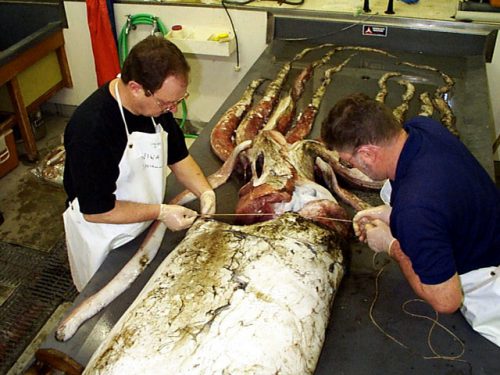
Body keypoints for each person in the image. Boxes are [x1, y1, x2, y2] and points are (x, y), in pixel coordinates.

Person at [321, 92, 500, 346]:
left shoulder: (415, 210)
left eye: (349, 161)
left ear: (368, 154)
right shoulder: (422, 127)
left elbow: (447, 301)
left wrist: (391, 245)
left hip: (488, 284)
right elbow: (439, 199)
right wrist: (389, 213)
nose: (349, 166)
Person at [63, 36, 215, 291]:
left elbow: (179, 156)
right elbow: (97, 210)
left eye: (179, 100)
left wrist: (205, 191)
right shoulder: (91, 127)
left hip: (146, 221)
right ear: (135, 87)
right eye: (166, 102)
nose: (174, 110)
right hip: (104, 234)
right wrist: (161, 212)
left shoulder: (157, 111)